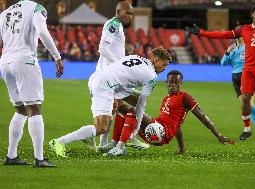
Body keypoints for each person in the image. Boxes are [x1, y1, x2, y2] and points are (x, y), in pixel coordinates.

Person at [49, 48, 172, 157]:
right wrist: (135, 131)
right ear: (156, 61)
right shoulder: (151, 76)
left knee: (120, 105)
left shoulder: (136, 58)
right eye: (164, 65)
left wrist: (135, 94)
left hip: (97, 78)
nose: (164, 68)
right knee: (102, 127)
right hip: (106, 85)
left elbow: (122, 78)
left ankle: (100, 139)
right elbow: (141, 105)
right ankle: (59, 142)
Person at [187, 5, 255, 141]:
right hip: (248, 70)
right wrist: (202, 33)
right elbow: (223, 34)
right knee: (245, 100)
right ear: (252, 15)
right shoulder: (244, 29)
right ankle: (247, 129)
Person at [100, 70, 234, 156]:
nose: (173, 85)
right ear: (166, 83)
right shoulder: (167, 99)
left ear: (181, 83)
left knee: (134, 110)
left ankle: (121, 146)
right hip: (156, 128)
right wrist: (182, 148)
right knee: (120, 106)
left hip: (161, 132)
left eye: (176, 82)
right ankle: (115, 142)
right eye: (171, 82)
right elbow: (177, 127)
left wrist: (218, 134)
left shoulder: (184, 97)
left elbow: (202, 116)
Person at [0, 0, 63, 167]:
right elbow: (42, 31)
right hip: (25, 60)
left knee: (20, 109)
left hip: (5, 62)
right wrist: (57, 56)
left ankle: (11, 156)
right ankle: (39, 159)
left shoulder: (5, 12)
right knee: (34, 108)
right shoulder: (36, 8)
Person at [88, 1, 138, 147]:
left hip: (112, 76)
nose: (130, 16)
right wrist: (119, 64)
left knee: (113, 108)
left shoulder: (118, 26)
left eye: (132, 14)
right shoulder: (113, 24)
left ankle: (105, 143)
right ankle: (129, 137)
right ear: (118, 11)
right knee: (133, 102)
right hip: (108, 76)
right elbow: (102, 48)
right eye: (127, 13)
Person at [221, 35, 255, 135]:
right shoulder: (233, 48)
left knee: (249, 105)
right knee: (247, 106)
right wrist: (227, 52)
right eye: (235, 34)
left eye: (238, 34)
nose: (236, 36)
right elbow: (223, 63)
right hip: (235, 78)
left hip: (247, 76)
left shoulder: (249, 46)